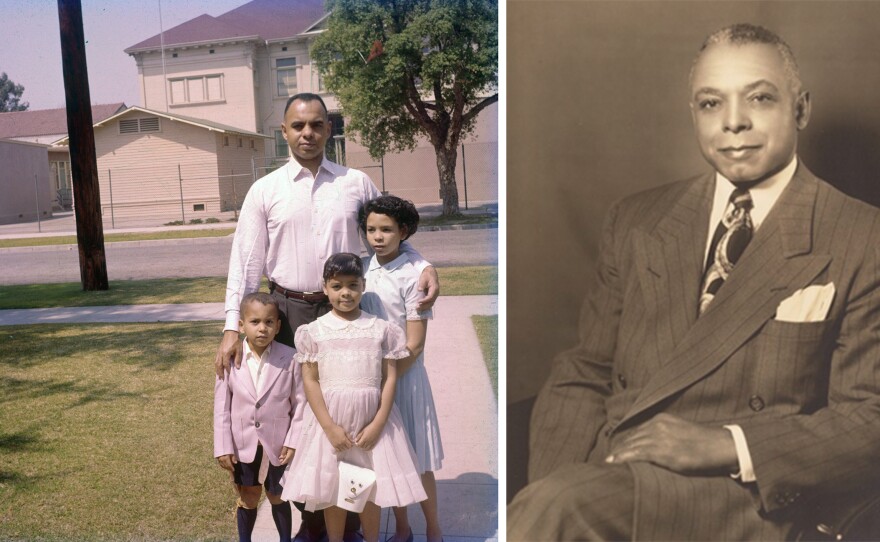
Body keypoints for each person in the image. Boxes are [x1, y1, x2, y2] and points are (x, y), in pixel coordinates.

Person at [508, 23, 880, 540]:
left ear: (800, 109)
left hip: (741, 495)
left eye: (760, 98)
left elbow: (870, 419)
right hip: (608, 474)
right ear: (693, 115)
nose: (733, 122)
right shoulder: (637, 220)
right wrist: (553, 487)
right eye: (711, 103)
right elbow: (585, 371)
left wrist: (728, 444)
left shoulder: (863, 236)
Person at [214, 92, 439, 541]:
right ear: (284, 132)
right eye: (298, 126)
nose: (307, 133)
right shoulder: (267, 189)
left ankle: (352, 520)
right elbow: (245, 261)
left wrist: (422, 261)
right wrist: (230, 327)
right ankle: (313, 521)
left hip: (351, 309)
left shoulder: (355, 183)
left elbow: (388, 229)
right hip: (291, 310)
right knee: (301, 418)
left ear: (329, 129)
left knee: (353, 411)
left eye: (316, 124)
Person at [280, 253, 427, 542]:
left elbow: (390, 378)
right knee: (334, 487)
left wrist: (378, 423)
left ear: (363, 285)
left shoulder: (381, 329)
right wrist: (329, 428)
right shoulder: (314, 331)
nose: (345, 293)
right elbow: (310, 381)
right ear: (325, 287)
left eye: (352, 285)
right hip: (331, 424)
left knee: (369, 487)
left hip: (372, 422)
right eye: (337, 286)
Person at [358, 196, 445, 542]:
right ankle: (403, 529)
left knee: (418, 460)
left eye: (387, 230)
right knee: (390, 460)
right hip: (373, 379)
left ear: (403, 231)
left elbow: (416, 343)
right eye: (371, 230)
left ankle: (434, 529)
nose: (377, 237)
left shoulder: (413, 275)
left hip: (404, 380)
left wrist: (387, 379)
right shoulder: (364, 269)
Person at [214, 292, 303, 542]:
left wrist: (293, 440)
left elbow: (300, 405)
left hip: (278, 444)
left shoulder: (291, 358)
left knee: (277, 495)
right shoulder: (229, 358)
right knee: (249, 496)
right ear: (241, 325)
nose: (262, 329)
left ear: (278, 326)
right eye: (254, 322)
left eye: (269, 322)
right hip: (243, 444)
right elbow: (221, 408)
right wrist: (223, 447)